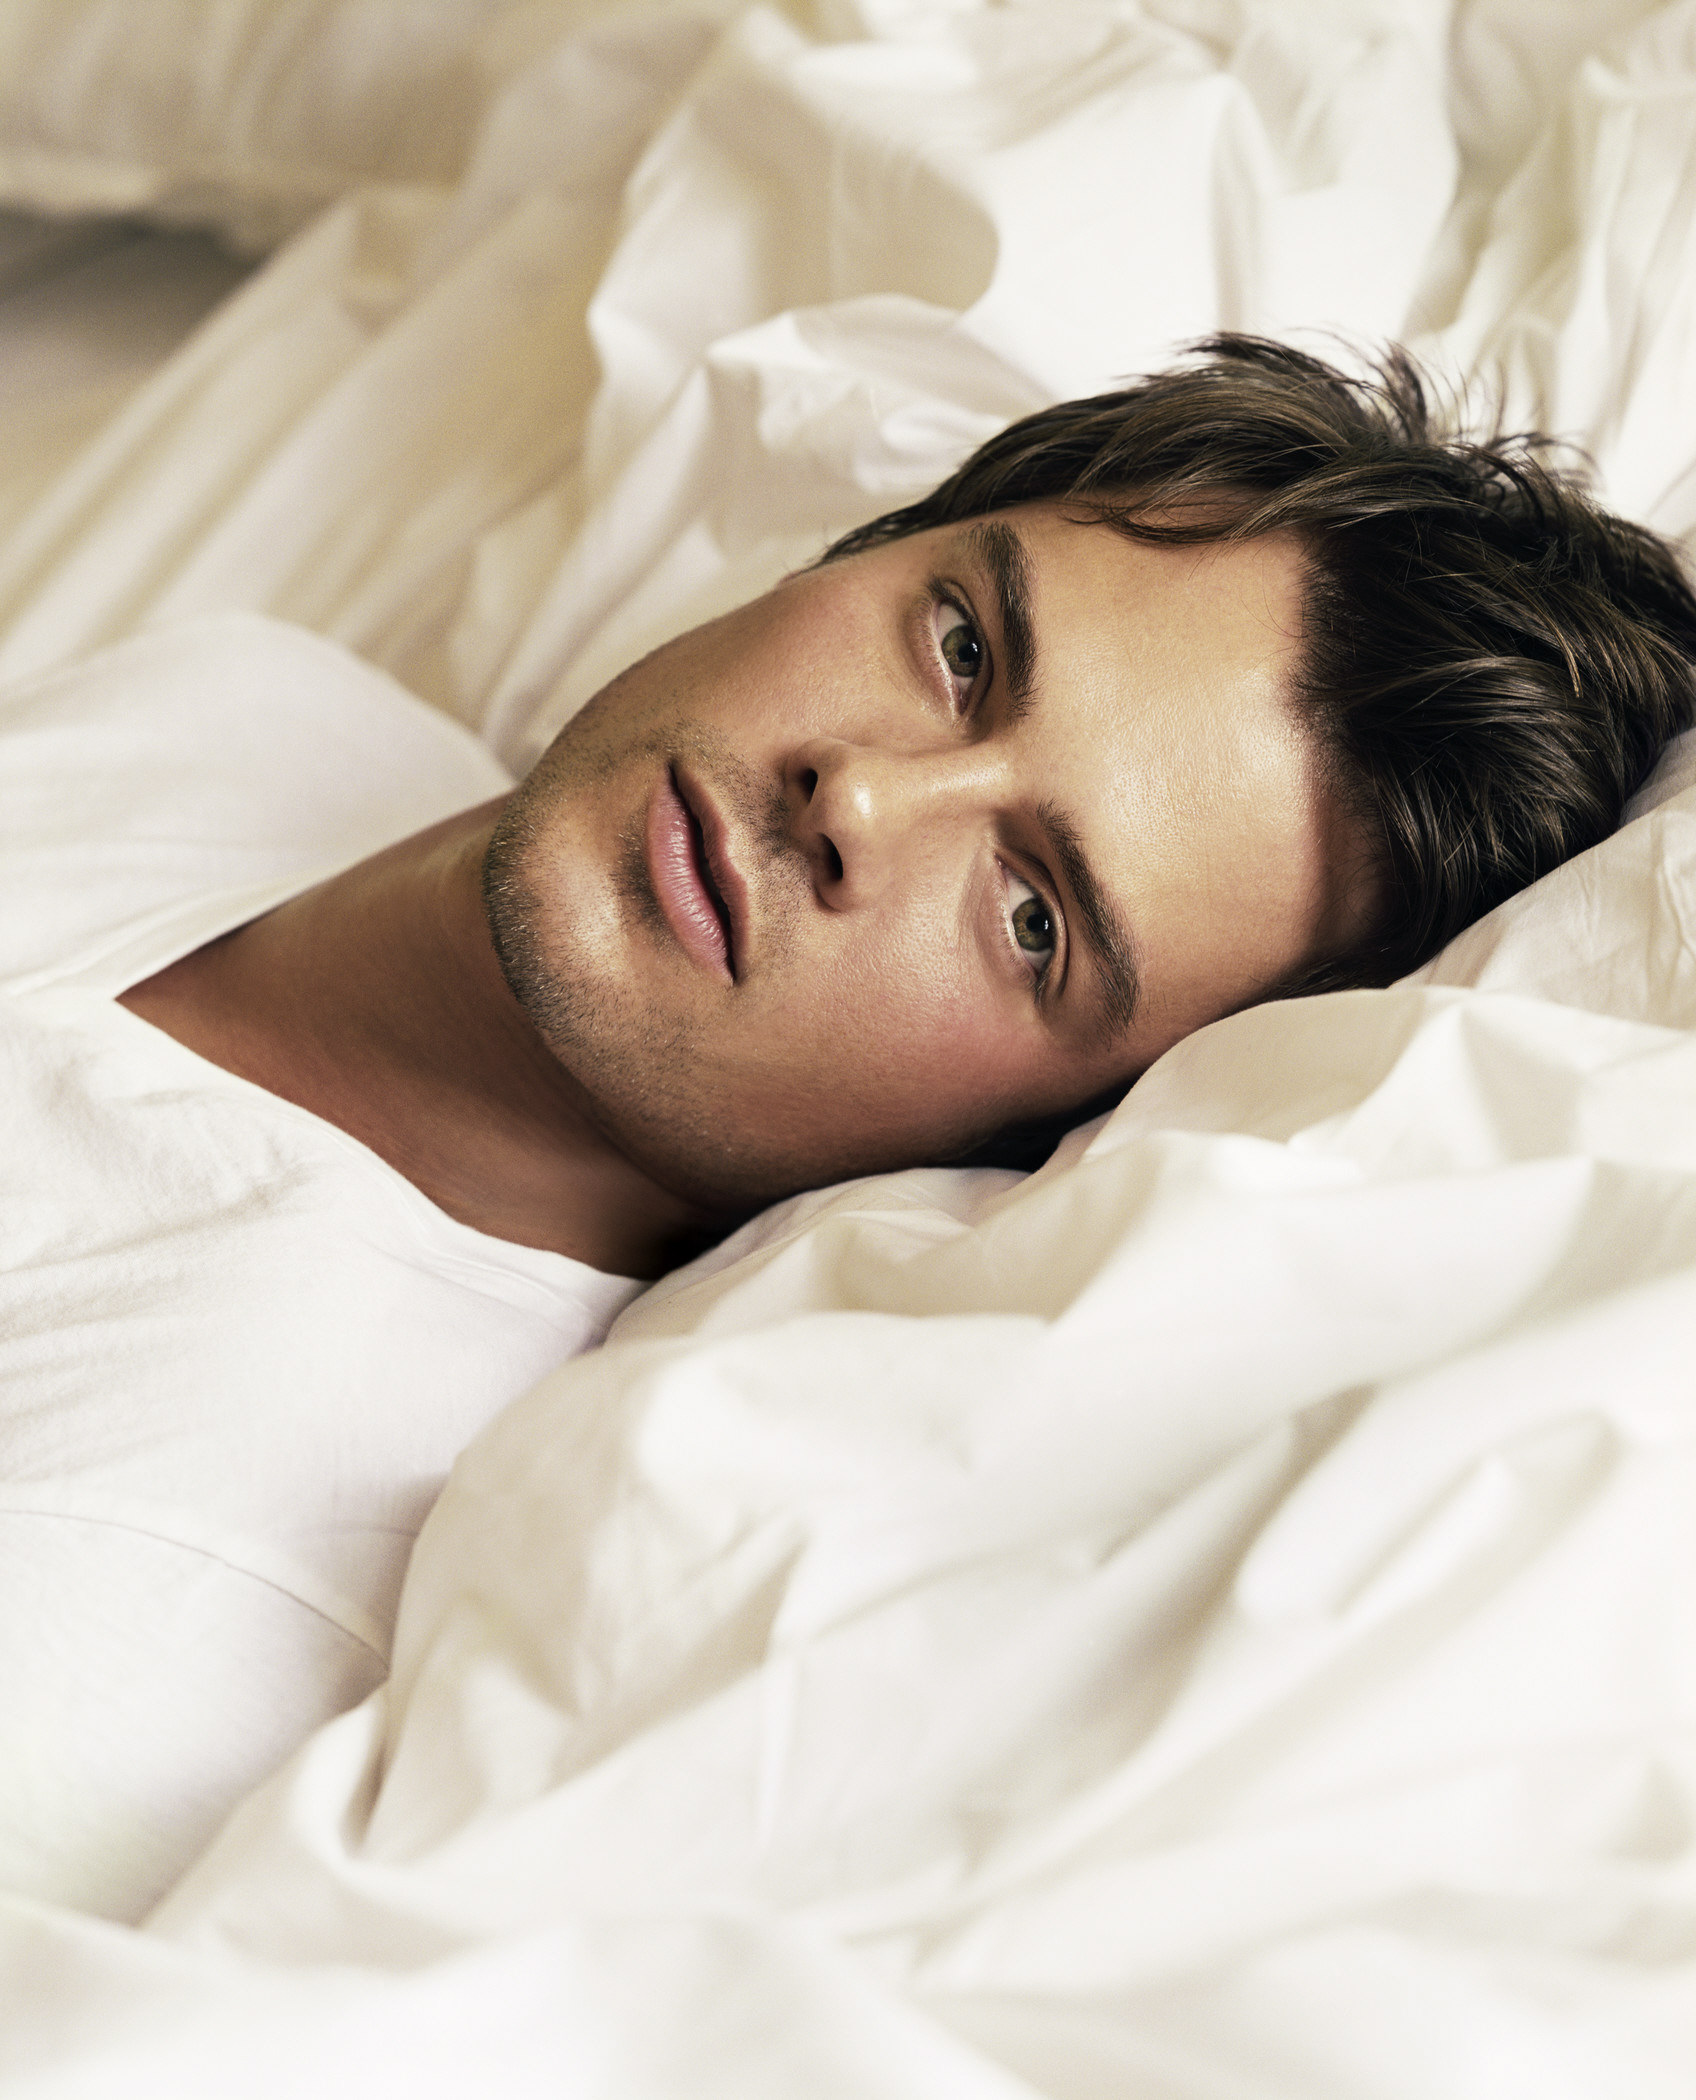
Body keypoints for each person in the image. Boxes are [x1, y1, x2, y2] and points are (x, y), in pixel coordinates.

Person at [3, 334, 1692, 1921]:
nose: (863, 799)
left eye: (1033, 919)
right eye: (964, 649)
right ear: (874, 545)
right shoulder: (264, 702)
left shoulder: (186, 1581)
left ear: (1034, 1136)